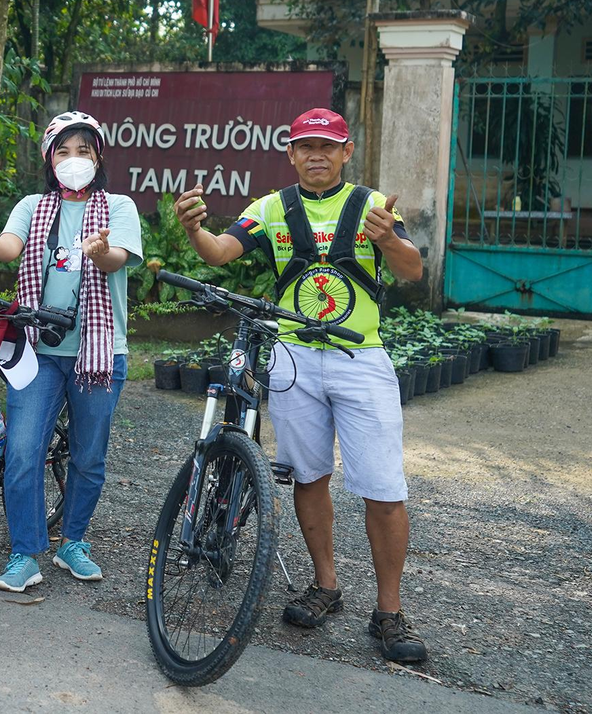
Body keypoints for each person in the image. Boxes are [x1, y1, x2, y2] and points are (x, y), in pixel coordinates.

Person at [173, 106, 428, 664]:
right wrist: (194, 228)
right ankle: (325, 585)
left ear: (346, 151)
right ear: (290, 153)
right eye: (306, 146)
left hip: (360, 358)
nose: (317, 155)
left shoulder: (371, 206)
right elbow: (220, 251)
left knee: (383, 489)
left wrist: (388, 241)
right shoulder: (270, 209)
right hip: (293, 359)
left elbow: (413, 270)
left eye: (328, 146)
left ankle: (390, 611)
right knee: (308, 477)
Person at [0, 111, 142, 592]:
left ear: (98, 156)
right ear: (48, 158)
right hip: (36, 349)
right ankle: (25, 552)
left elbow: (118, 257)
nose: (73, 160)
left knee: (88, 455)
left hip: (98, 353)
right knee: (22, 451)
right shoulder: (32, 205)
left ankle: (73, 541)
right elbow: (9, 247)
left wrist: (100, 252)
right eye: (63, 150)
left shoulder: (119, 207)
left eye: (84, 150)